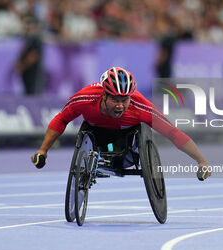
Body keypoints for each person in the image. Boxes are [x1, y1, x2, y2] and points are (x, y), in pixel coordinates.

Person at [31, 67, 211, 180]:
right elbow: (61, 118)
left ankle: (121, 157)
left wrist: (201, 161)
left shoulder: (140, 106)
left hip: (126, 140)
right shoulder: (84, 98)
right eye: (115, 100)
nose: (120, 105)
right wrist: (43, 150)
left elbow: (173, 133)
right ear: (104, 95)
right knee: (95, 135)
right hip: (96, 133)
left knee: (125, 149)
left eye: (124, 100)